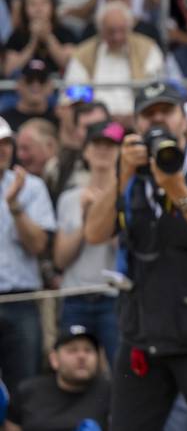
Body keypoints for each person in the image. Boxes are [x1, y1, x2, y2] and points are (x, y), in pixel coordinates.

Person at [82, 81, 187, 431]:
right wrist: (122, 174)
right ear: (137, 124)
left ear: (183, 119)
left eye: (166, 112)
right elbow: (94, 233)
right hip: (142, 330)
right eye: (148, 114)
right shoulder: (127, 171)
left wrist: (179, 192)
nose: (158, 121)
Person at [53, 119, 125, 362]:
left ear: (120, 152)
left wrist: (104, 215)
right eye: (97, 144)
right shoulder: (70, 198)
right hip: (76, 296)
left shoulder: (127, 196)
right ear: (86, 151)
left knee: (121, 369)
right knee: (73, 369)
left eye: (111, 145)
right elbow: (61, 259)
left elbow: (127, 249)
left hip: (114, 297)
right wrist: (86, 220)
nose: (103, 151)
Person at [0, 115, 56, 393]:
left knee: (24, 389)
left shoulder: (31, 187)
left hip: (21, 301)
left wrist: (14, 206)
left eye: (6, 142)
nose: (2, 149)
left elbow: (38, 246)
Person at [4, 324, 111, 431]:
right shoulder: (27, 391)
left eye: (88, 350)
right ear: (54, 359)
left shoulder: (111, 392)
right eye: (72, 350)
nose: (82, 356)